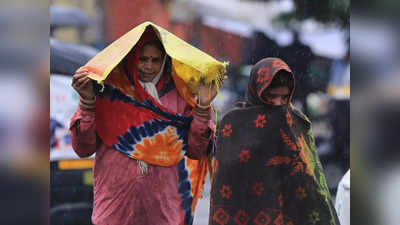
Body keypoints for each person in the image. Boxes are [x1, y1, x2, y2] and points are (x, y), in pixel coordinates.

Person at [70, 27, 218, 225]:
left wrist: (202, 107)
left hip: (162, 209)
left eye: (155, 60)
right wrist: (87, 102)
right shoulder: (108, 92)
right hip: (115, 209)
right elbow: (83, 148)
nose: (148, 66)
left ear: (165, 61)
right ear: (132, 57)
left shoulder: (179, 95)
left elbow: (195, 150)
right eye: (143, 59)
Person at [209, 58, 339, 225]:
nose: (278, 103)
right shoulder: (233, 123)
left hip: (285, 212)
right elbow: (224, 177)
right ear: (256, 90)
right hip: (242, 212)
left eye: (284, 97)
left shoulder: (294, 121)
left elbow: (309, 177)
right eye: (271, 96)